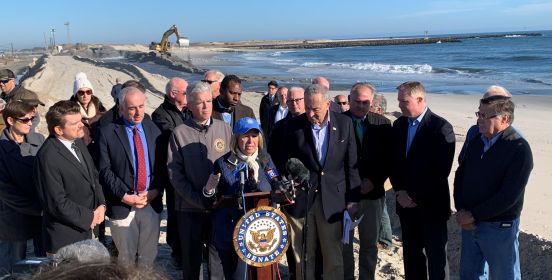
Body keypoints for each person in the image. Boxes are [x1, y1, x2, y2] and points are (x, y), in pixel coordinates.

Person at [285, 84, 361, 279]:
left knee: (332, 256)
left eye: (315, 109)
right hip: (302, 199)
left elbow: (352, 164)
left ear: (328, 104)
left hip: (333, 201)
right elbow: (284, 159)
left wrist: (352, 198)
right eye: (307, 107)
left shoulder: (345, 124)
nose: (310, 113)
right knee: (303, 255)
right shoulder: (294, 126)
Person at [454, 95, 533, 280]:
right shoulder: (476, 142)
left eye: (485, 116)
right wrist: (461, 210)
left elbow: (509, 196)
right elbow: (460, 176)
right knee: (469, 275)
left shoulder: (519, 148)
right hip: (469, 223)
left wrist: (473, 215)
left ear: (504, 119)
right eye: (478, 114)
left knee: (504, 276)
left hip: (500, 227)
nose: (478, 120)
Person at [389, 81, 455, 280]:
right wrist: (400, 191)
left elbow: (440, 171)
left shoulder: (441, 127)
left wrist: (414, 196)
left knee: (436, 261)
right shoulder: (399, 124)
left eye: (404, 101)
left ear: (420, 99)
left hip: (431, 206)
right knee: (412, 258)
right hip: (405, 206)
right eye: (399, 100)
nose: (399, 105)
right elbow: (395, 163)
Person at [167, 81, 231, 280]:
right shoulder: (179, 134)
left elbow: (231, 165)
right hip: (190, 209)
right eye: (200, 102)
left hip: (219, 208)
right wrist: (198, 199)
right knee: (192, 262)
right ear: (190, 106)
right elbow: (175, 175)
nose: (206, 106)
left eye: (209, 101)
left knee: (217, 260)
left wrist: (222, 199)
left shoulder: (225, 129)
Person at [96, 87, 163, 266]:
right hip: (122, 205)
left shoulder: (154, 129)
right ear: (122, 108)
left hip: (150, 202)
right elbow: (104, 169)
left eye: (141, 106)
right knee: (125, 260)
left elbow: (162, 166)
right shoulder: (108, 132)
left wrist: (155, 191)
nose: (138, 112)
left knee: (148, 259)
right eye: (132, 108)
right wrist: (125, 196)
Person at [209, 117, 278, 279]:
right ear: (236, 139)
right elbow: (214, 200)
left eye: (254, 136)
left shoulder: (265, 159)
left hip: (262, 234)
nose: (250, 141)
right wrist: (208, 190)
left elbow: (275, 182)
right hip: (232, 234)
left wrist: (281, 187)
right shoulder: (223, 163)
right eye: (245, 136)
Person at [34, 100, 106, 254]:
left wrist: (102, 205)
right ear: (59, 130)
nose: (82, 125)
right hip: (65, 240)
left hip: (89, 230)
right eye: (75, 123)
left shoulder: (77, 142)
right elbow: (57, 203)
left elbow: (93, 176)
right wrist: (89, 217)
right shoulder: (48, 157)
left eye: (80, 120)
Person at [342, 82, 392, 280]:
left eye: (365, 102)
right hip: (345, 195)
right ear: (349, 99)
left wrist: (375, 180)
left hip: (373, 194)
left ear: (372, 102)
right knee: (345, 243)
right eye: (356, 101)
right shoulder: (338, 121)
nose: (360, 106)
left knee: (369, 244)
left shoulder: (383, 124)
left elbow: (389, 159)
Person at [0, 101, 45, 274]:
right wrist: (36, 207)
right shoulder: (2, 148)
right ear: (10, 121)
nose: (30, 123)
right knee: (14, 267)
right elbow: (5, 190)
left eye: (32, 119)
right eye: (24, 120)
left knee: (42, 265)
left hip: (41, 216)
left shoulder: (39, 140)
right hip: (14, 219)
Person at [267, 86, 305, 280]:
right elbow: (269, 158)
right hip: (289, 192)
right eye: (290, 101)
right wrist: (277, 180)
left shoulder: (314, 123)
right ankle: (293, 272)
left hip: (316, 192)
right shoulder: (280, 126)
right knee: (293, 239)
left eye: (298, 100)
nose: (294, 104)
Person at [152, 77, 190, 267]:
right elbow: (174, 138)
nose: (188, 95)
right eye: (185, 92)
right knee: (175, 213)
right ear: (173, 94)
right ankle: (177, 252)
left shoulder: (186, 111)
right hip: (172, 173)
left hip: (189, 170)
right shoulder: (160, 114)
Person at [458, 85, 512, 164]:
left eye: (484, 115)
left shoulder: (514, 143)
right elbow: (462, 161)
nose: (480, 119)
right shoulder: (474, 132)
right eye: (480, 114)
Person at [369, 93, 393, 251]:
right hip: (375, 175)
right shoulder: (373, 124)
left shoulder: (384, 125)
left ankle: (385, 240)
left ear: (377, 109)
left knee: (381, 207)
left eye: (368, 106)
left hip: (382, 176)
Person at [69, 72, 107, 146]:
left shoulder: (101, 112)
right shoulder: (70, 113)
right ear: (76, 94)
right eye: (81, 92)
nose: (85, 95)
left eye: (88, 91)